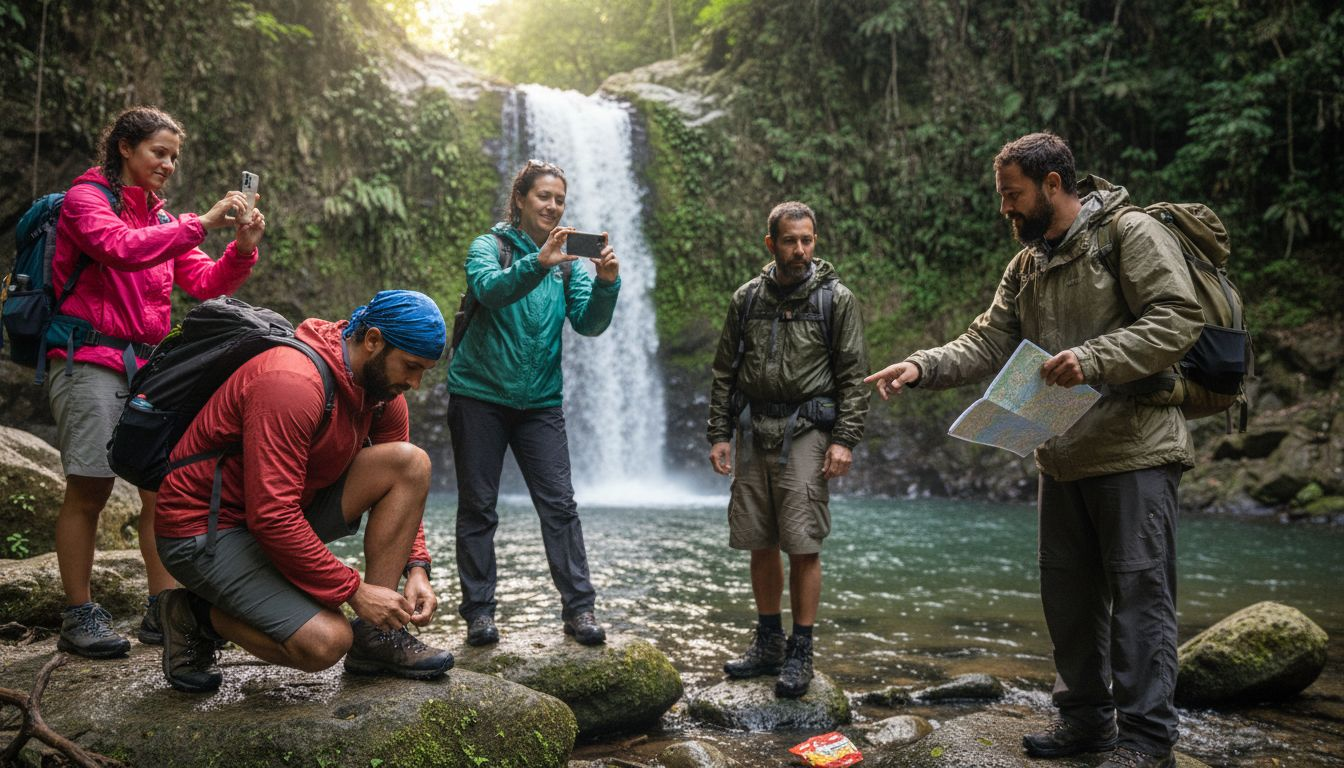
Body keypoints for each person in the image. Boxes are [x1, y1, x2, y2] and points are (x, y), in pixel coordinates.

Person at [865, 132, 1201, 768]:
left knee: (1140, 598)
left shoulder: (1128, 235)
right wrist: (919, 366)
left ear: (1053, 185)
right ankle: (1085, 726)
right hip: (1061, 453)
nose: (1006, 210)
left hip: (1134, 450)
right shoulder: (1027, 266)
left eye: (1013, 196)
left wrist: (1095, 358)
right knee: (1067, 597)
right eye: (1002, 198)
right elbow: (986, 341)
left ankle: (1147, 742)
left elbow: (1177, 318)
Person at [151, 290, 453, 693]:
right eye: (411, 367)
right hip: (205, 528)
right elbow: (272, 516)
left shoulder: (382, 393)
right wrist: (355, 591)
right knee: (326, 642)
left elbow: (404, 485)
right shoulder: (291, 382)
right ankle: (192, 614)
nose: (415, 384)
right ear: (374, 340)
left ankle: (378, 637)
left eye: (424, 372)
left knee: (411, 462)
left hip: (282, 512)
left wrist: (417, 567)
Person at [47, 105, 264, 659]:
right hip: (89, 356)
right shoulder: (86, 200)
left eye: (174, 157)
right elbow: (117, 248)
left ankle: (162, 607)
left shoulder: (165, 222)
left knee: (160, 489)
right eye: (158, 153)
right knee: (90, 486)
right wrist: (201, 223)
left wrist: (239, 248)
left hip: (147, 367)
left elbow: (207, 285)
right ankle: (79, 612)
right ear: (126, 147)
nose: (168, 164)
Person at [447, 159, 620, 648]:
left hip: (540, 401)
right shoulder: (491, 246)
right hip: (479, 395)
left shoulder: (568, 265)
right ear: (520, 199)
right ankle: (479, 614)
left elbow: (588, 323)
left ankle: (580, 610)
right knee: (478, 508)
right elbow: (489, 290)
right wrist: (536, 262)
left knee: (560, 506)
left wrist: (605, 283)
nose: (553, 206)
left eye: (560, 199)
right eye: (544, 196)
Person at [706, 201, 869, 698]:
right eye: (791, 241)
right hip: (755, 428)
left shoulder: (835, 301)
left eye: (808, 240)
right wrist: (718, 433)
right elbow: (724, 372)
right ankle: (768, 641)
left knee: (803, 543)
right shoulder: (747, 299)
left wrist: (843, 440)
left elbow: (853, 379)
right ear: (770, 243)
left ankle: (802, 648)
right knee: (760, 538)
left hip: (807, 430)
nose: (800, 250)